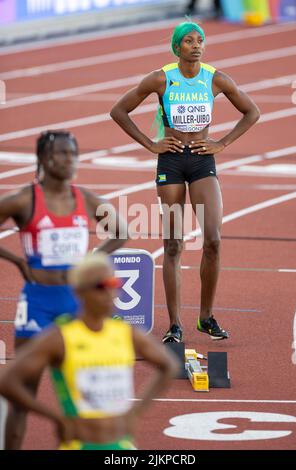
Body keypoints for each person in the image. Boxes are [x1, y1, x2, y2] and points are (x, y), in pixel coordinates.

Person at [110, 21, 260, 343]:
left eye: (200, 40)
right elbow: (119, 110)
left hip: (203, 161)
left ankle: (205, 317)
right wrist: (151, 144)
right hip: (172, 162)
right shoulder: (161, 79)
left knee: (213, 240)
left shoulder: (215, 78)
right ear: (177, 47)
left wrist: (223, 143)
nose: (196, 45)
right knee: (174, 243)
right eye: (189, 41)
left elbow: (252, 112)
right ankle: (175, 324)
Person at [0, 130, 128, 449]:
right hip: (38, 303)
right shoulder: (23, 199)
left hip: (74, 304)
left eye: (73, 153)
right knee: (22, 397)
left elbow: (121, 231)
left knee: (83, 390)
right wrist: (17, 260)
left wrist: (92, 260)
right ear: (44, 158)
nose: (69, 160)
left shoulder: (84, 199)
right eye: (61, 153)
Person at [0, 252, 179, 450]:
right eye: (101, 287)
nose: (111, 293)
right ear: (79, 292)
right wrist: (57, 419)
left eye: (114, 284)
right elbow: (7, 381)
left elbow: (169, 365)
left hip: (120, 446)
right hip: (79, 444)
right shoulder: (59, 338)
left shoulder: (126, 333)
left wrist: (135, 412)